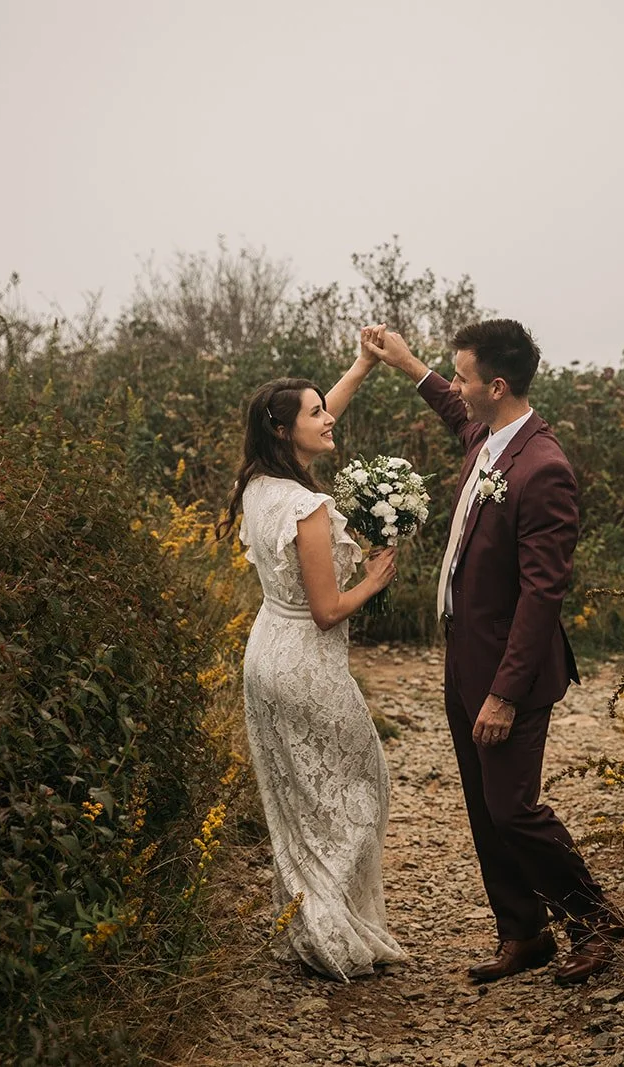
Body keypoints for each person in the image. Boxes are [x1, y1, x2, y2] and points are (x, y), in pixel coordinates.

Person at [367, 319, 624, 985]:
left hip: (509, 673)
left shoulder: (544, 469)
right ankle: (523, 931)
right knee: (485, 806)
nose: (456, 385)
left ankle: (593, 920)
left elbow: (543, 595)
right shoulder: (487, 433)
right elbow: (452, 405)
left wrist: (505, 693)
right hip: (464, 656)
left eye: (463, 374)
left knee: (513, 806)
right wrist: (405, 363)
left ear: (498, 385)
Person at [215, 328, 407, 980]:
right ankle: (332, 930)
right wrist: (374, 583)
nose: (329, 419)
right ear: (284, 430)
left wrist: (359, 367)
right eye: (316, 412)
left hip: (266, 649)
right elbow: (328, 609)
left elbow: (319, 416)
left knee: (303, 798)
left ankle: (307, 922)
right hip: (305, 658)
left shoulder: (258, 484)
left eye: (327, 406)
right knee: (361, 785)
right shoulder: (309, 507)